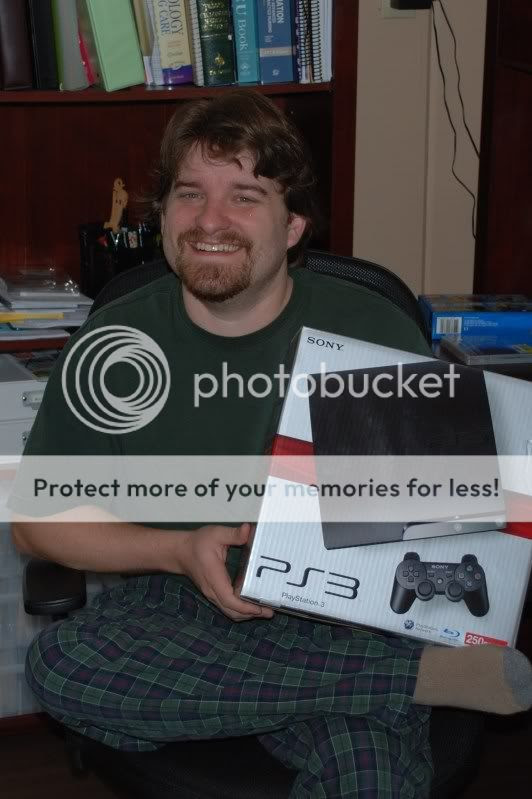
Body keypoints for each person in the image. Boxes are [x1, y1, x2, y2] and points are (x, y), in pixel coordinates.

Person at [11, 91, 531, 799]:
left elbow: (441, 523)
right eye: (189, 193)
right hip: (176, 606)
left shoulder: (373, 327)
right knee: (63, 666)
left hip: (341, 613)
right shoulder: (114, 342)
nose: (210, 220)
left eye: (244, 196)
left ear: (293, 226)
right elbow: (37, 524)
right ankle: (404, 682)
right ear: (164, 214)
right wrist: (178, 550)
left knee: (370, 776)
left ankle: (349, 678)